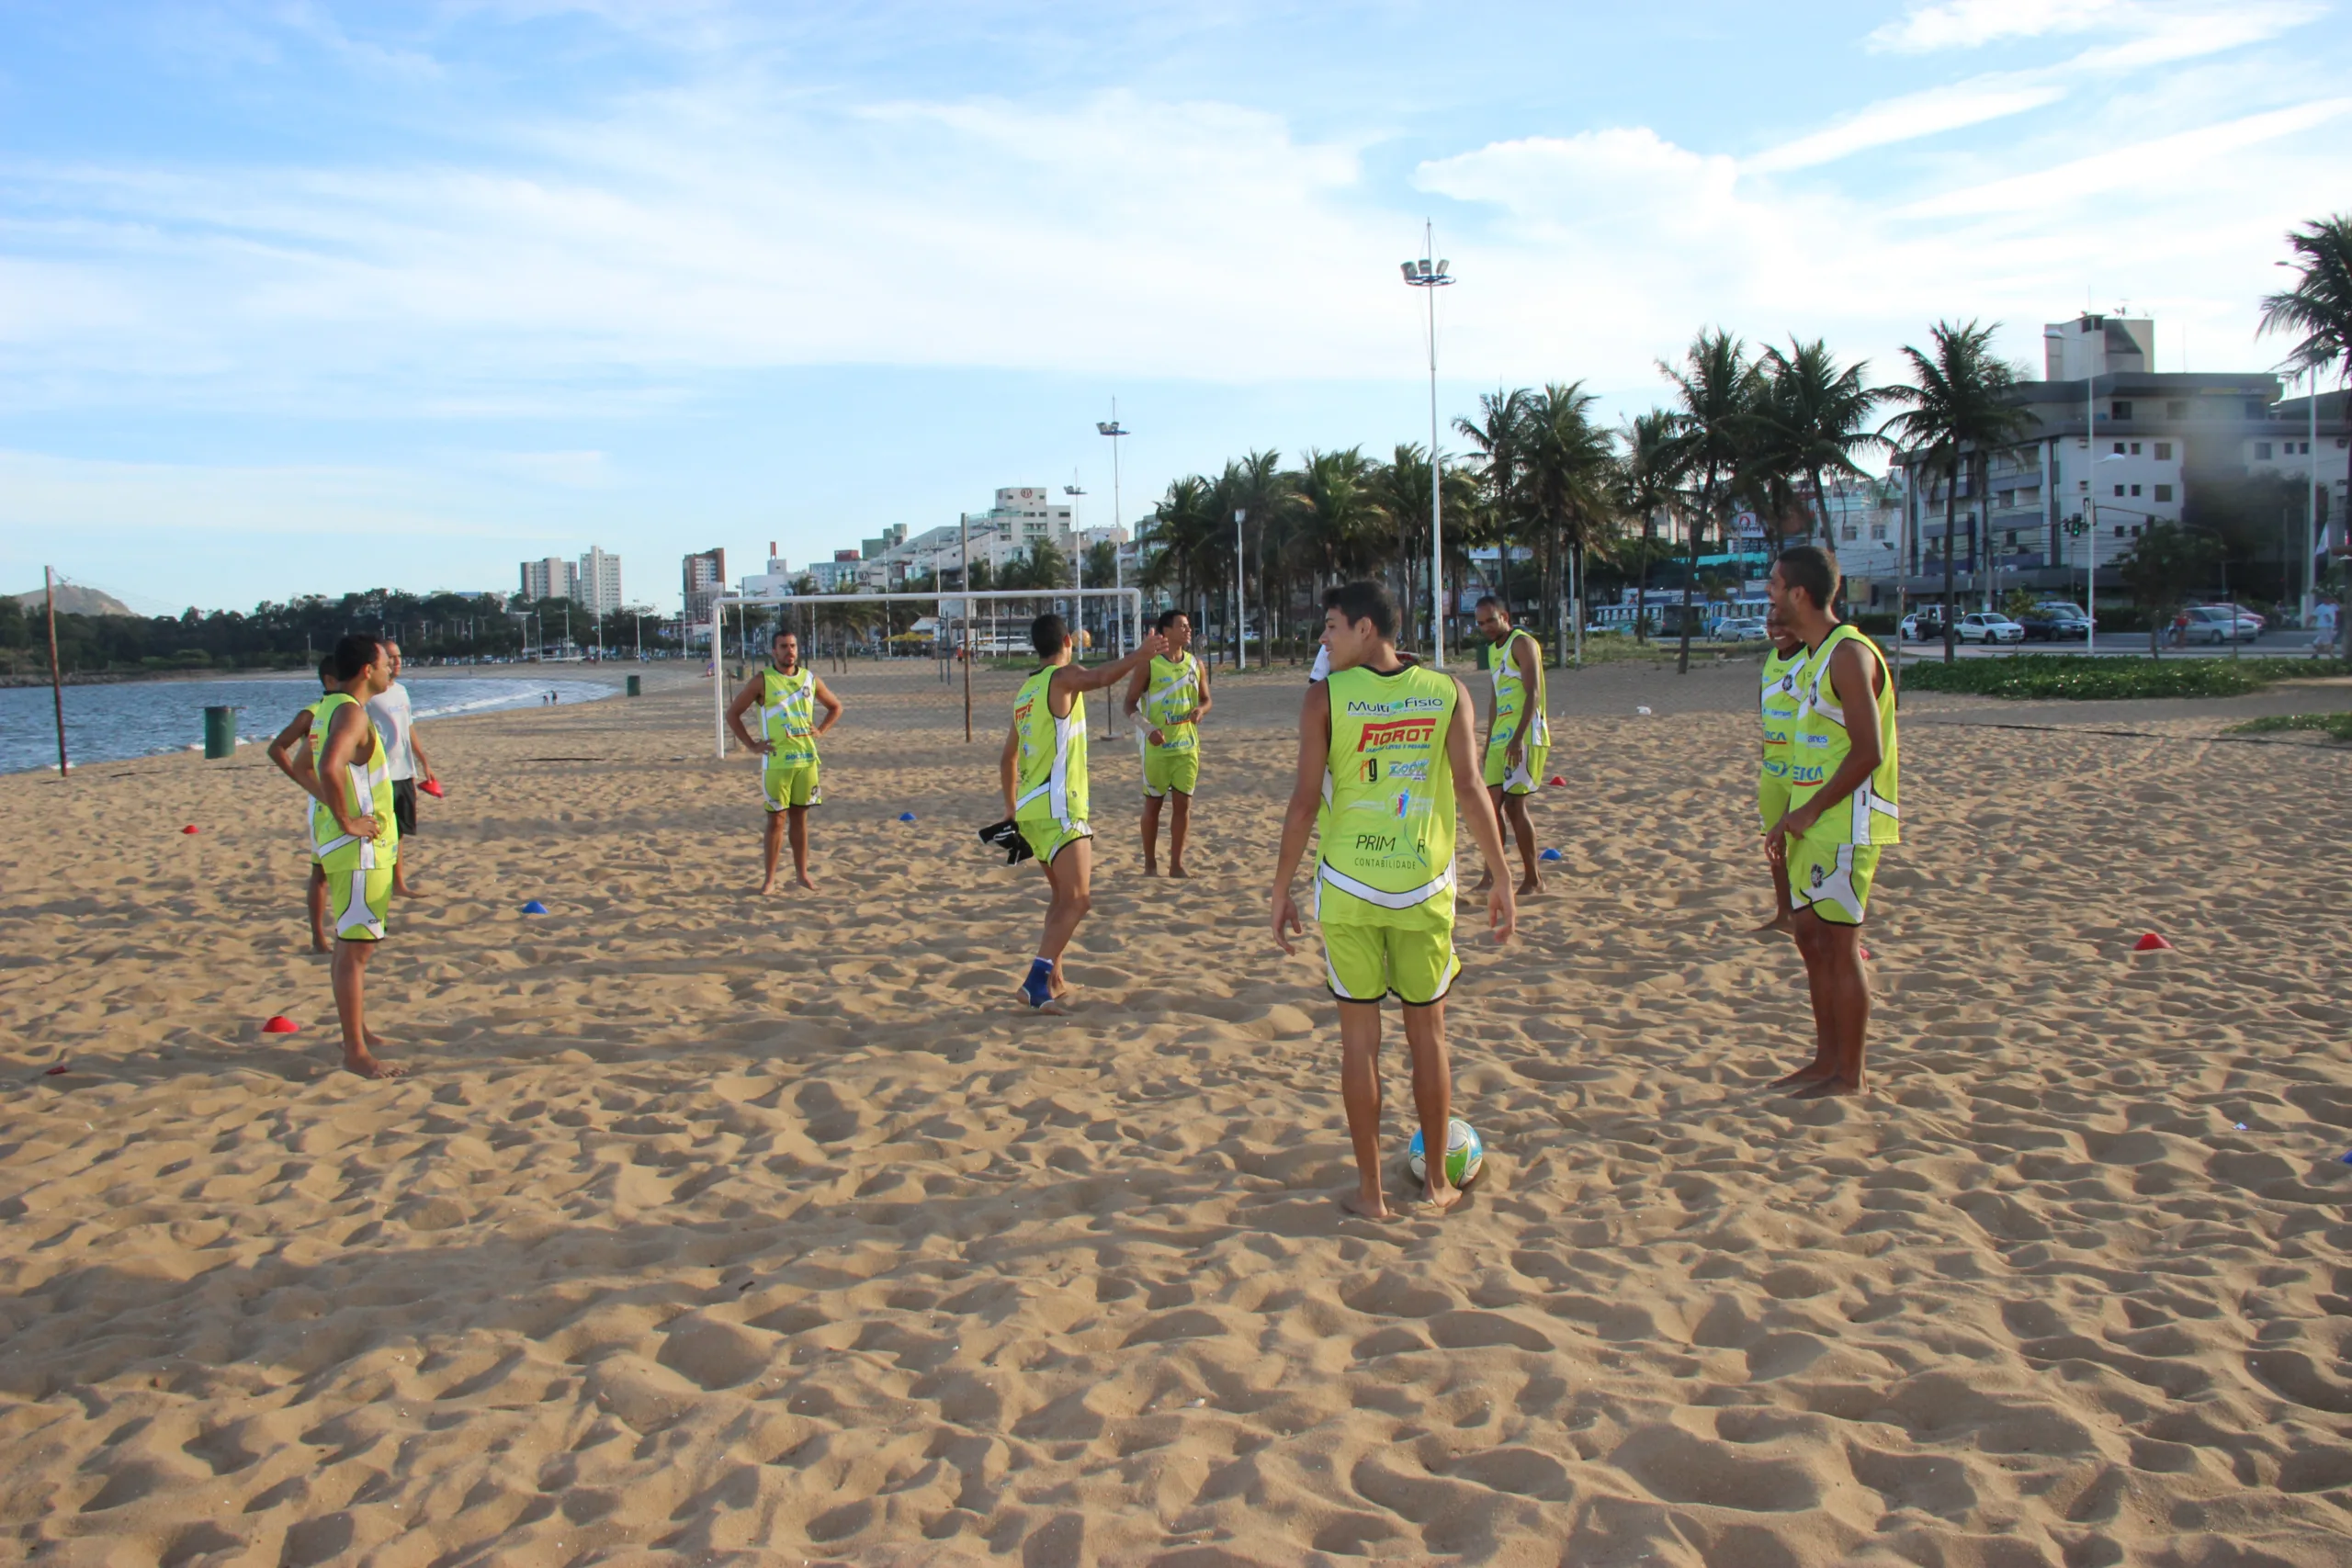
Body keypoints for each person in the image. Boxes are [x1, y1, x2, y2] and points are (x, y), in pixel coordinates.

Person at [1269, 581, 1516, 1220]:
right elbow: (1469, 787)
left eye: (1330, 627)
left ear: (1367, 628)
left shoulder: (1324, 699)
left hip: (1349, 889)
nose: (1322, 638)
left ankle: (1372, 1193)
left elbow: (1302, 801)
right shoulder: (1447, 691)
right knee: (1428, 1035)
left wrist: (1281, 887)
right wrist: (1501, 874)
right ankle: (1436, 1182)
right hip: (1423, 890)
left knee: (1360, 1042)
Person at [1763, 546, 1898, 1098]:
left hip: (1845, 827)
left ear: (1799, 593)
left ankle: (1851, 1073)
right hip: (1812, 825)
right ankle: (1824, 1060)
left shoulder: (1848, 652)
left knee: (1840, 946)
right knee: (1811, 939)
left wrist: (1811, 809)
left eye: (1774, 585)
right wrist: (1790, 815)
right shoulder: (1814, 656)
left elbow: (1869, 751)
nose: (1768, 594)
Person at [1001, 614, 1167, 1010]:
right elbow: (1099, 679)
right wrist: (1140, 654)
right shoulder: (1061, 677)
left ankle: (1055, 977)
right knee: (1078, 900)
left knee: (1061, 898)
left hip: (1031, 811)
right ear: (1067, 641)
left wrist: (1011, 810)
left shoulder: (1026, 691)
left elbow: (1007, 757)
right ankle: (1036, 982)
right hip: (1060, 807)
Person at [296, 634, 405, 1079]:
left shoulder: (329, 708)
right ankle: (355, 1051)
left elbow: (303, 765)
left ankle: (357, 1032)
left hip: (349, 849)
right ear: (366, 670)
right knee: (356, 950)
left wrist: (331, 810)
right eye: (385, 663)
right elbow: (325, 766)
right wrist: (347, 820)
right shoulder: (351, 714)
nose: (390, 670)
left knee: (350, 945)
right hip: (360, 851)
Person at [726, 629, 843, 893]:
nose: (789, 651)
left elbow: (836, 707)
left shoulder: (810, 679)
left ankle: (802, 875)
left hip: (806, 760)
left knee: (800, 819)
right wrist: (752, 745)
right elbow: (733, 713)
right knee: (776, 820)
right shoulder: (762, 681)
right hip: (777, 762)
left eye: (792, 646)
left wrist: (821, 730)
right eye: (783, 646)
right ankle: (769, 879)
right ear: (773, 651)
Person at [1470, 597, 1549, 895]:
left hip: (1525, 735)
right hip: (1500, 737)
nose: (1485, 627)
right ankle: (1491, 876)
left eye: (1490, 620)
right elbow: (1495, 699)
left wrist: (1517, 738)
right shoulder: (1492, 650)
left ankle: (1533, 878)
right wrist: (1489, 741)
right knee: (1490, 808)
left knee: (1515, 806)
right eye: (1480, 623)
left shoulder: (1522, 643)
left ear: (1504, 615)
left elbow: (1534, 693)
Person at [1124, 609, 1211, 877]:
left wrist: (1201, 711)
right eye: (1182, 626)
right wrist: (1148, 728)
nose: (1188, 630)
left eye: (1189, 626)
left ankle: (1176, 865)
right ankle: (1150, 864)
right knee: (1154, 805)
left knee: (1183, 805)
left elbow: (1206, 699)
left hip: (1187, 748)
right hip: (1158, 750)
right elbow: (1128, 705)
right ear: (1166, 632)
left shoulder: (1196, 664)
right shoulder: (1149, 664)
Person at [266, 655, 345, 953]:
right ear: (330, 681)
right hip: (323, 805)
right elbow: (277, 749)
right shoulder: (313, 713)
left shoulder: (351, 711)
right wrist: (305, 782)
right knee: (321, 872)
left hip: (350, 800)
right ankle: (318, 938)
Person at [366, 640, 437, 897]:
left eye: (398, 657)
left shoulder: (402, 692)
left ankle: (398, 883)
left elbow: (408, 728)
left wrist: (423, 761)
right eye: (390, 658)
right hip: (379, 774)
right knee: (378, 831)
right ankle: (375, 882)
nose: (396, 663)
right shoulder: (370, 694)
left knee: (399, 832)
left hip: (404, 771)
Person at [1753, 608, 1808, 936]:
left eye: (1783, 623)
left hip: (1803, 769)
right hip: (1773, 768)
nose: (1776, 630)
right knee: (1775, 845)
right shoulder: (1772, 660)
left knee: (1803, 845)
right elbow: (1766, 713)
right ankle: (1784, 913)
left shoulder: (1811, 661)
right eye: (1771, 624)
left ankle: (1809, 916)